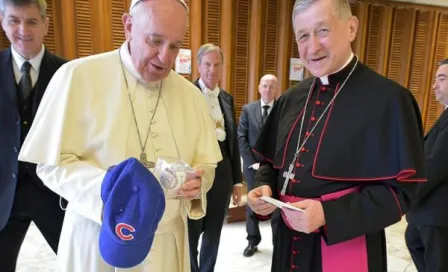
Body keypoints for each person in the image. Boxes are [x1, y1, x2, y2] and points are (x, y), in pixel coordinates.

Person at [18, 0, 222, 271]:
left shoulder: (192, 97)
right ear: (128, 26)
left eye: (175, 45)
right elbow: (49, 163)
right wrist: (108, 191)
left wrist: (198, 184)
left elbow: (206, 165)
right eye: (154, 41)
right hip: (97, 239)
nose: (165, 57)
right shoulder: (77, 77)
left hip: (166, 248)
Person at [247, 0, 426, 271]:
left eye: (323, 31)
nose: (313, 47)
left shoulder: (389, 100)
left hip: (346, 247)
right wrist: (265, 188)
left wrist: (328, 215)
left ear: (351, 28)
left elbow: (401, 193)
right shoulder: (291, 98)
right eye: (303, 36)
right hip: (287, 246)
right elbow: (272, 164)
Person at [0, 0, 66, 270]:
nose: (23, 30)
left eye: (32, 21)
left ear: (46, 25)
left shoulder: (66, 73)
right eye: (14, 21)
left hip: (53, 192)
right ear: (3, 22)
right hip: (5, 194)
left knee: (80, 261)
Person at [188, 43, 242, 272]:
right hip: (196, 173)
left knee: (213, 231)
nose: (212, 69)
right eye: (207, 64)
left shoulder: (227, 99)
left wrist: (237, 181)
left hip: (222, 174)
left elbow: (233, 142)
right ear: (199, 65)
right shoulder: (187, 95)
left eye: (217, 64)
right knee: (192, 229)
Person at [405, 58, 448, 272]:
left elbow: (438, 164)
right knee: (414, 240)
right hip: (428, 210)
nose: (434, 85)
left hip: (438, 213)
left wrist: (406, 195)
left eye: (441, 78)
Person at [238, 74, 279, 257]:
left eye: (271, 86)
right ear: (259, 87)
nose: (268, 90)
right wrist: (252, 163)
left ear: (276, 89)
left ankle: (278, 243)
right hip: (253, 166)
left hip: (276, 168)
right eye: (265, 86)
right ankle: (252, 241)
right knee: (252, 204)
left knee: (277, 204)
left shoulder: (282, 109)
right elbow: (242, 138)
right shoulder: (248, 109)